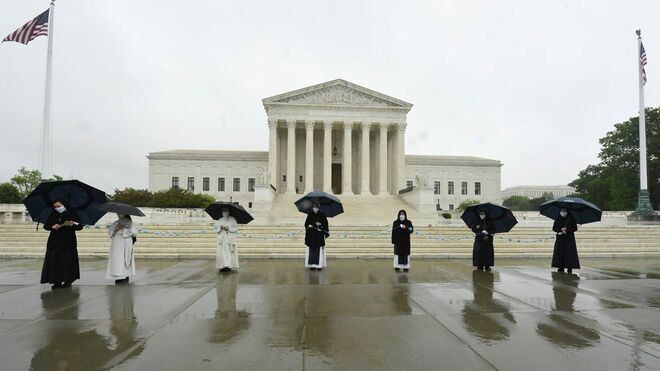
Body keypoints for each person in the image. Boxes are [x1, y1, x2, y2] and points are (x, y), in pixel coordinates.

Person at [41, 200, 83, 289]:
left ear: (64, 205)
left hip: (68, 242)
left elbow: (80, 226)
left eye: (58, 206)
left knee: (67, 261)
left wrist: (72, 225)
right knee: (55, 261)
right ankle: (57, 281)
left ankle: (68, 280)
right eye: (55, 207)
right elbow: (46, 226)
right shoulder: (53, 214)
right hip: (54, 242)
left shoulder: (72, 214)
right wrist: (52, 226)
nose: (57, 208)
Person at [106, 214, 138, 285]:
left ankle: (125, 275)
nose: (118, 214)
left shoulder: (129, 222)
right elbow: (110, 231)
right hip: (117, 242)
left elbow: (134, 232)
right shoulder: (116, 222)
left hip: (126, 241)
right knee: (118, 259)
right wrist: (117, 228)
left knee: (126, 259)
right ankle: (120, 276)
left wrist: (123, 229)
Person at [551, 207, 580, 274]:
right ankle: (560, 267)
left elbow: (575, 228)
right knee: (560, 254)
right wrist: (561, 229)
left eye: (564, 211)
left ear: (567, 211)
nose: (562, 212)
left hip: (569, 239)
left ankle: (569, 267)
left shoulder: (571, 219)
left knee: (569, 254)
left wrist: (567, 230)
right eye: (561, 211)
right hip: (560, 239)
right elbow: (554, 228)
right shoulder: (558, 219)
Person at [304, 202, 329, 270]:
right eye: (314, 207)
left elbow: (326, 224)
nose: (315, 209)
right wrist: (309, 225)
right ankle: (312, 265)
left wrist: (320, 224)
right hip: (311, 236)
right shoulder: (310, 214)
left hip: (319, 236)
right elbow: (306, 224)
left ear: (318, 208)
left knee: (319, 250)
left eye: (316, 207)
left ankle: (319, 265)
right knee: (312, 250)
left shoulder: (322, 214)